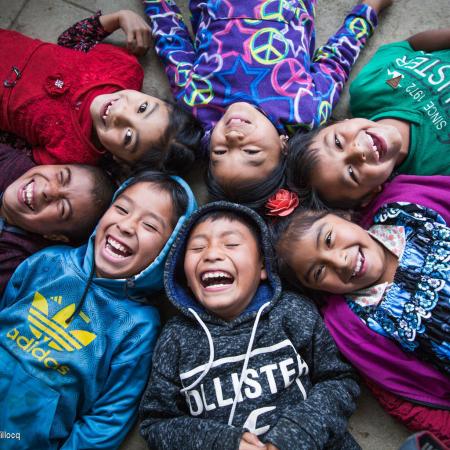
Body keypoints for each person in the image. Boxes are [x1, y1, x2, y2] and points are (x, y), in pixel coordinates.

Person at [0, 171, 197, 449]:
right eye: (121, 209)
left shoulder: (138, 326)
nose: (127, 226)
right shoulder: (48, 261)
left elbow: (108, 418)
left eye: (150, 226)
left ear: (167, 254)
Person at [140, 201, 360, 450]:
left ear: (263, 266)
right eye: (197, 248)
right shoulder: (175, 338)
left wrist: (296, 434)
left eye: (232, 244)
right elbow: (156, 424)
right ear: (186, 279)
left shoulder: (292, 311)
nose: (211, 254)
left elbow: (340, 380)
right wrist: (221, 442)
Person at [144, 0, 393, 208]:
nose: (232, 138)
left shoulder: (196, 103)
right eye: (251, 152)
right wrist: (369, 10)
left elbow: (171, 40)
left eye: (220, 152)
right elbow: (337, 60)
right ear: (283, 147)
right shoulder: (304, 112)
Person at [274, 176, 450, 443]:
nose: (341, 261)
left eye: (329, 239)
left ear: (344, 215)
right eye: (319, 271)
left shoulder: (406, 205)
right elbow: (401, 394)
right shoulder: (355, 326)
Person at [0, 9, 202, 173]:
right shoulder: (123, 68)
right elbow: (69, 42)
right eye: (142, 108)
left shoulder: (71, 158)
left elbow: (14, 148)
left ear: (120, 160)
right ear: (152, 96)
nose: (120, 113)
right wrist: (119, 18)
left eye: (128, 136)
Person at [286, 28, 450, 208]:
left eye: (338, 142)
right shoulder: (434, 174)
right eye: (352, 173)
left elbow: (409, 46)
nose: (357, 152)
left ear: (339, 122)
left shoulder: (369, 88)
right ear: (372, 194)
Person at [0, 143, 114, 296]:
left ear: (55, 236)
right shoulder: (12, 165)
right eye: (61, 176)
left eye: (62, 208)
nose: (48, 190)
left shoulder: (16, 265)